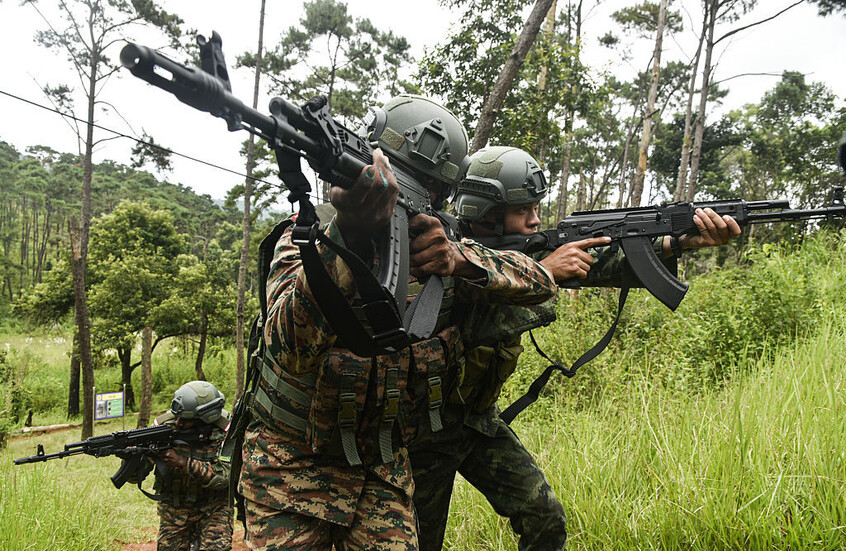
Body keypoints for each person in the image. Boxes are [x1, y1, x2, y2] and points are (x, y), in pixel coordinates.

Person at [236, 96, 561, 550]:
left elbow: (539, 281)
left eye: (432, 189)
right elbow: (289, 346)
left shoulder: (440, 245)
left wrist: (459, 259)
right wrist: (346, 235)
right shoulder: (304, 237)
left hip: (382, 465)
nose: (420, 197)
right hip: (288, 464)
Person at [409, 146, 742, 551]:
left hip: (478, 422)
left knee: (544, 518)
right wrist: (545, 272)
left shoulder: (524, 253)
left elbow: (599, 263)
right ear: (486, 210)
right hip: (428, 431)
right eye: (524, 210)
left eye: (537, 207)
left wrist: (676, 242)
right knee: (422, 541)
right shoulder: (441, 253)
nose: (535, 219)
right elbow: (479, 295)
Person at [145, 380, 233, 551]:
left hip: (215, 508)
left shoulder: (226, 431)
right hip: (175, 508)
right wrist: (132, 458)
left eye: (185, 420)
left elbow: (223, 478)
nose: (178, 423)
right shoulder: (164, 427)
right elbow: (135, 478)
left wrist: (184, 462)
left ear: (204, 420)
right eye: (176, 417)